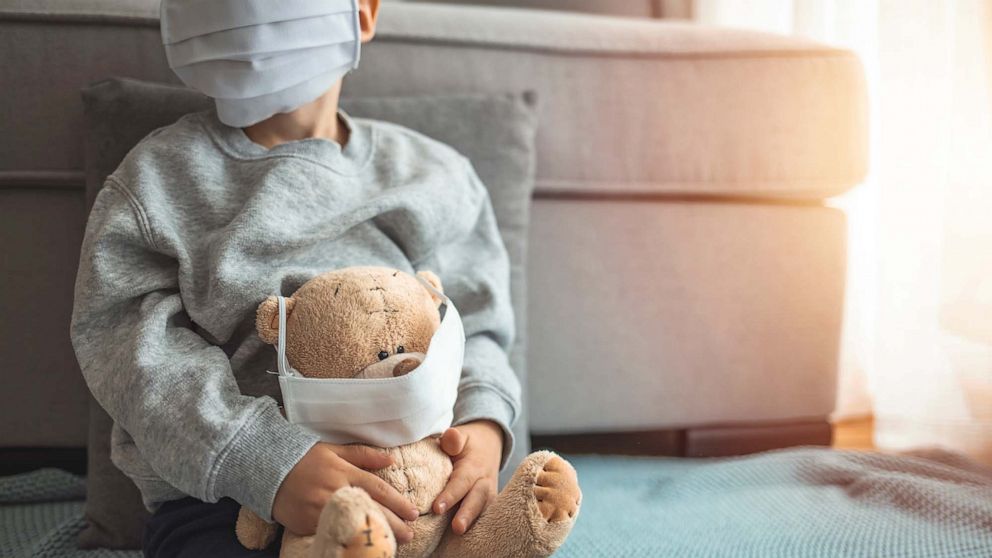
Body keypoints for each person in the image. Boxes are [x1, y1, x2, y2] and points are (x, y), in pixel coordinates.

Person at [70, 1, 521, 556]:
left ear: (362, 13)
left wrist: (483, 427)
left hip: (423, 488)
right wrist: (263, 462)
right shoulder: (156, 184)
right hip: (227, 509)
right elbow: (130, 352)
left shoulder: (435, 178)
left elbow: (477, 325)